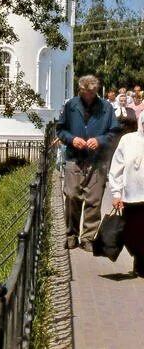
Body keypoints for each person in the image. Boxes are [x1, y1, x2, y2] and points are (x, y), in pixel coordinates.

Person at [57, 75, 118, 250]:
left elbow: (114, 132)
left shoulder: (106, 108)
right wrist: (71, 139)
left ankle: (88, 238)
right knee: (72, 197)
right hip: (74, 158)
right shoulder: (71, 106)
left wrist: (100, 140)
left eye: (91, 92)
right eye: (85, 92)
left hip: (97, 161)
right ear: (80, 90)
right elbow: (60, 130)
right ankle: (71, 235)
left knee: (94, 200)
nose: (88, 96)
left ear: (96, 91)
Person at [109, 118, 144, 277]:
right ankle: (139, 260)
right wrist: (116, 193)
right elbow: (117, 167)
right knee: (134, 234)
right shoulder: (128, 140)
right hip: (132, 196)